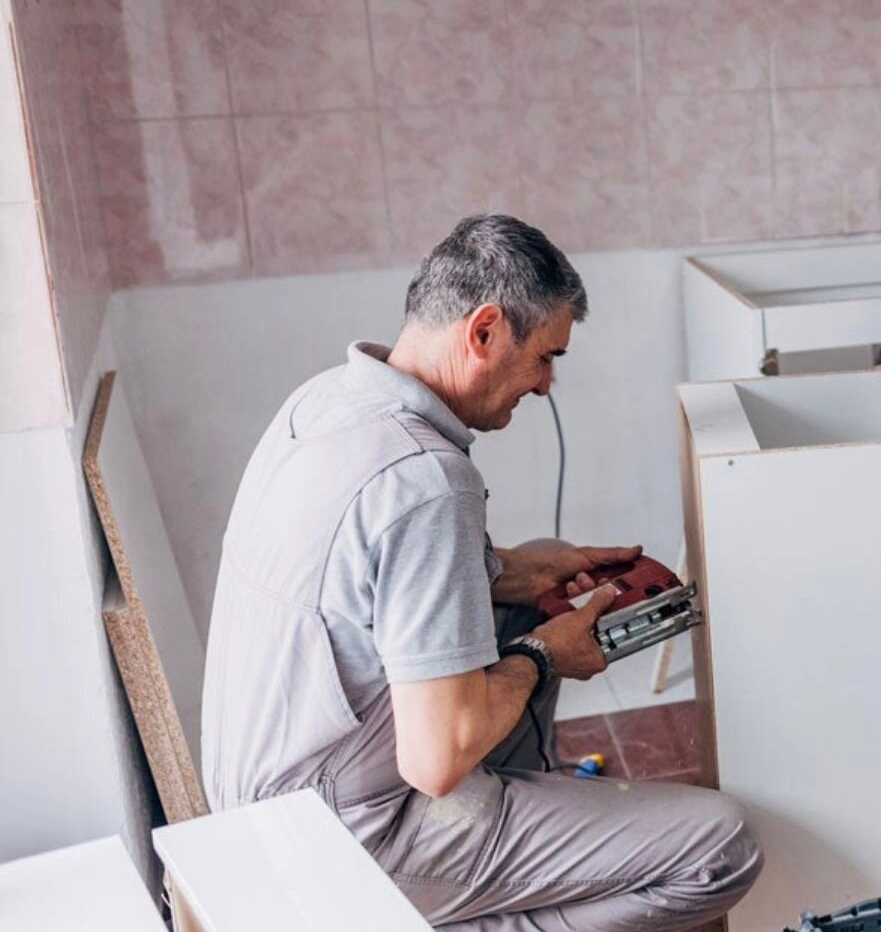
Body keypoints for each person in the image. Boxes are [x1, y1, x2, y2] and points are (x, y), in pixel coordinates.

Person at [200, 214, 760, 928]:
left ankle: (514, 839)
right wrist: (543, 654)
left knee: (520, 611)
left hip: (261, 795)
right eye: (546, 357)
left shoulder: (326, 402)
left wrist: (515, 571)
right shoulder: (427, 479)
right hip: (339, 839)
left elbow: (363, 586)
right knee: (722, 848)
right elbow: (437, 761)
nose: (548, 384)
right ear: (485, 331)